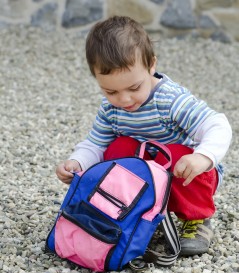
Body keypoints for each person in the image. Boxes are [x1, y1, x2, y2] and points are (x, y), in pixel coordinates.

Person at [56, 16, 232, 256]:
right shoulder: (110, 108)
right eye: (111, 91)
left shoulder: (170, 100)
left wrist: (203, 157)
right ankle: (137, 213)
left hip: (188, 175)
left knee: (175, 152)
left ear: (151, 65)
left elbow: (217, 124)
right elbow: (96, 143)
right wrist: (77, 162)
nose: (124, 100)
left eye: (134, 88)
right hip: (149, 176)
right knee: (118, 148)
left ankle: (197, 219)